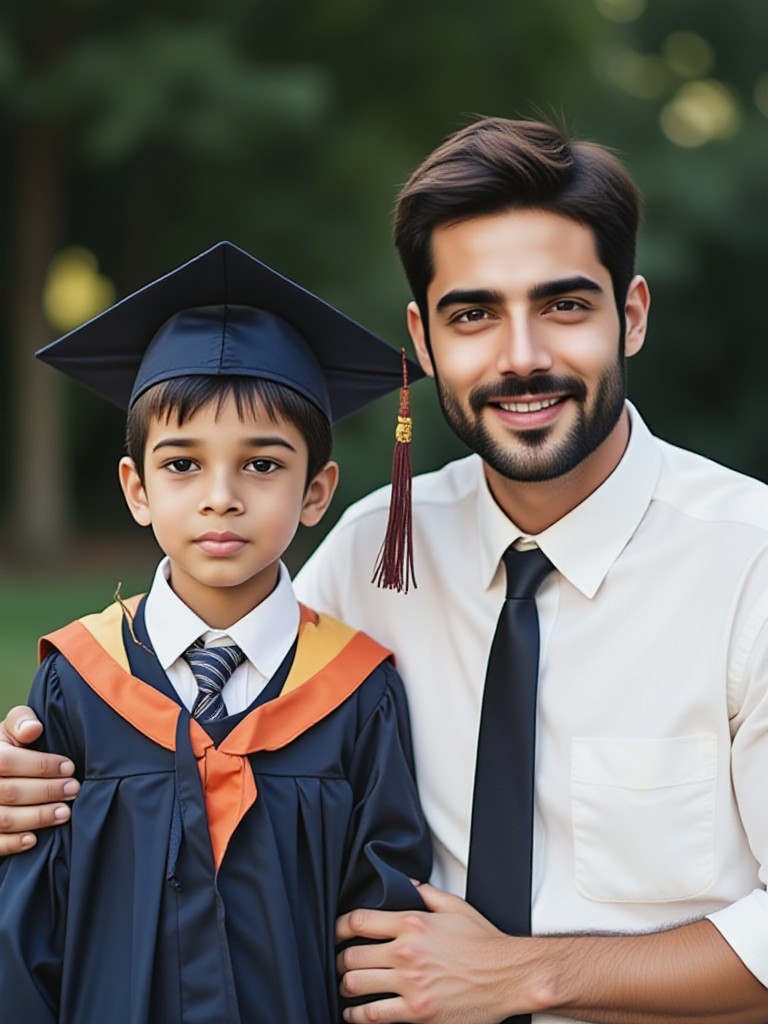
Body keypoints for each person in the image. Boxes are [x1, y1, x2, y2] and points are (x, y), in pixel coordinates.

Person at [2, 118, 768, 1024]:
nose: (521, 355)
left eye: (564, 305)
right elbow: (209, 716)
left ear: (631, 314)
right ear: (424, 335)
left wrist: (530, 975)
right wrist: (26, 783)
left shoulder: (747, 562)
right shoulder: (374, 554)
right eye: (474, 314)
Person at [0, 240, 431, 1024]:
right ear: (136, 488)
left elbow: (386, 934)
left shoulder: (359, 695)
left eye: (263, 465)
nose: (221, 497)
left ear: (316, 491)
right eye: (182, 464)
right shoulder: (75, 681)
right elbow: (27, 933)